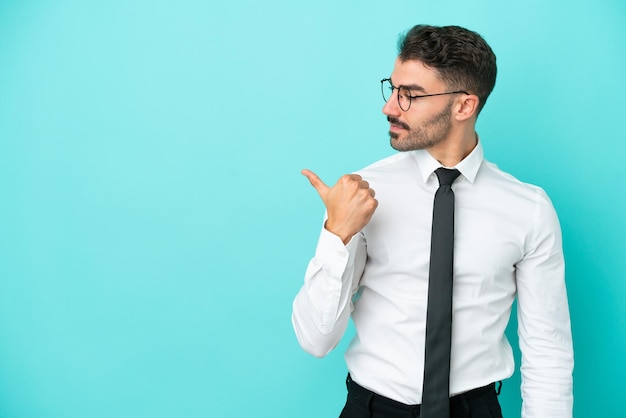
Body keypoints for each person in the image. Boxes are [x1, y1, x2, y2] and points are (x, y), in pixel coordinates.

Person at [291, 24, 573, 418]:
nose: (390, 107)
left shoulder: (528, 209)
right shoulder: (359, 194)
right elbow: (315, 339)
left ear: (463, 106)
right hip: (372, 409)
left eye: (411, 95)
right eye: (393, 89)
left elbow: (548, 350)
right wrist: (336, 233)